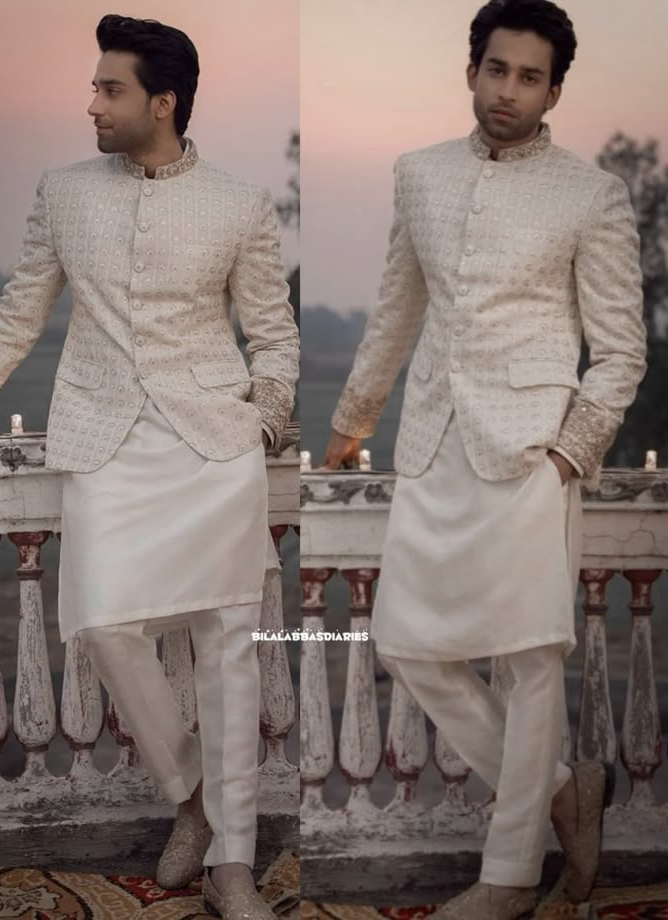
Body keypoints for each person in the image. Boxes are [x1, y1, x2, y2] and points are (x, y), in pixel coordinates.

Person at [0, 14, 298, 920]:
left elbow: (274, 330)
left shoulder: (241, 204)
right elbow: (19, 312)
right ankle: (193, 803)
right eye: (95, 87)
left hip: (214, 446)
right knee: (100, 621)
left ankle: (235, 865)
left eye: (110, 89)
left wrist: (268, 416)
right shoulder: (64, 193)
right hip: (102, 438)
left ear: (162, 102)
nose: (91, 103)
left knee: (230, 652)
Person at [323, 1, 646, 916]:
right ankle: (558, 792)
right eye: (497, 70)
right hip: (431, 445)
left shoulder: (592, 195)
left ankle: (507, 878)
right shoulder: (418, 175)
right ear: (472, 71)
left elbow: (619, 349)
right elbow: (396, 310)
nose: (509, 91)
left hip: (532, 454)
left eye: (531, 78)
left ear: (554, 90)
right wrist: (352, 422)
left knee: (530, 658)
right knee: (406, 643)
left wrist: (568, 456)